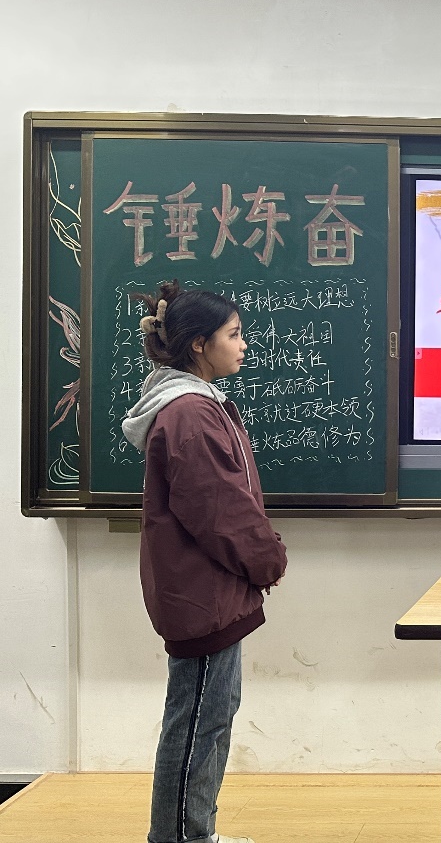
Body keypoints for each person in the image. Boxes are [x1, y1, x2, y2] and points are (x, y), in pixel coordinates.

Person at [122, 281, 287, 843]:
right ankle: (179, 838)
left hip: (209, 591)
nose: (243, 344)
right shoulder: (190, 414)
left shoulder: (194, 405)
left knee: (208, 717)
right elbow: (220, 510)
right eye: (233, 334)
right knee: (196, 722)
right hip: (204, 594)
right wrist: (267, 560)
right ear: (199, 344)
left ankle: (195, 833)